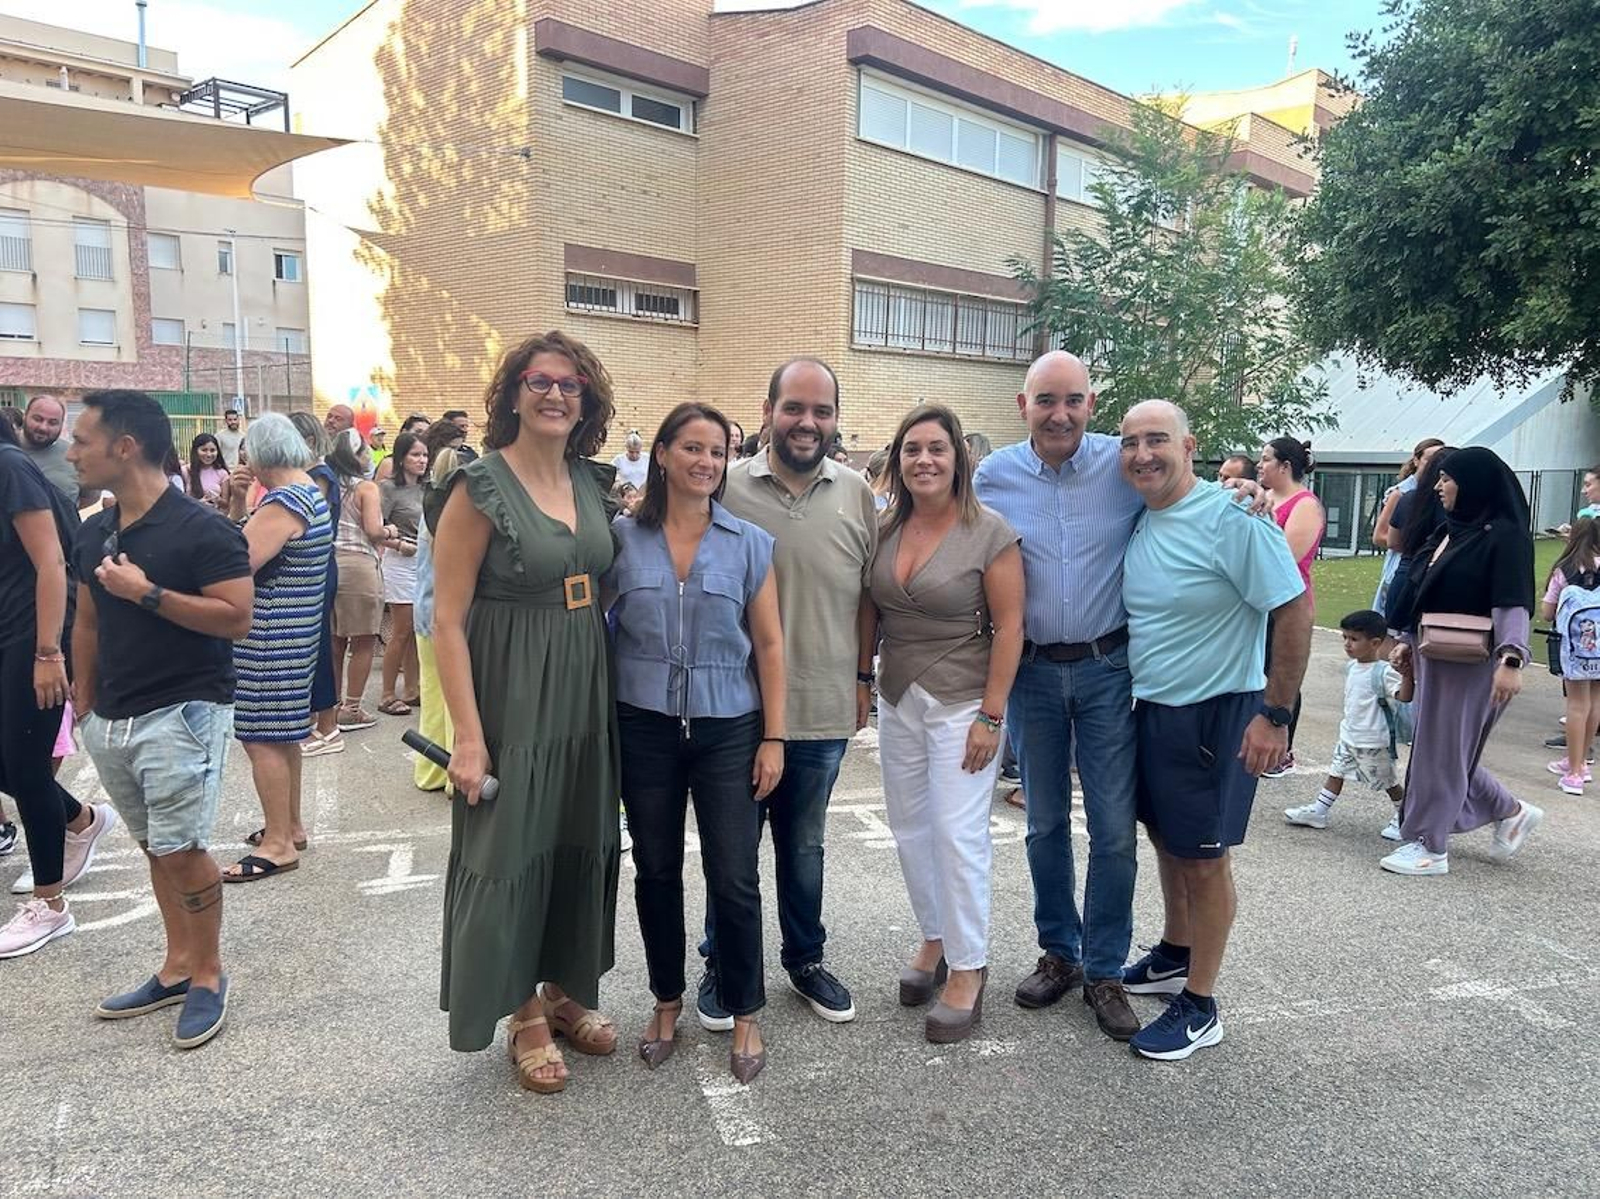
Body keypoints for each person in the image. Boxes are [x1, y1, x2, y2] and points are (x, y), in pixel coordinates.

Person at [431, 330, 622, 1092]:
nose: (554, 394)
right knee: (508, 850)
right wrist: (468, 738)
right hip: (510, 689)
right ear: (513, 393)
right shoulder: (478, 486)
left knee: (578, 836)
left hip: (582, 682)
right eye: (539, 381)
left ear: (587, 401)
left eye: (570, 384)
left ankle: (562, 987)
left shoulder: (590, 479)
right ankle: (520, 1010)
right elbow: (446, 619)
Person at [1116, 400, 1309, 1061]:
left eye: (1157, 440)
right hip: (1153, 709)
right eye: (1131, 442)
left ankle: (1200, 1004)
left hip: (1216, 710)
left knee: (1204, 858)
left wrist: (1275, 714)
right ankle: (1175, 950)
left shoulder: (1233, 514)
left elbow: (1293, 607)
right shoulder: (1143, 512)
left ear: (1189, 445)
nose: (1143, 453)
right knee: (1167, 839)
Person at [67, 390, 253, 1048]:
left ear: (126, 446)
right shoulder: (94, 528)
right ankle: (176, 966)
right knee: (154, 844)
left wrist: (146, 591)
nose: (71, 451)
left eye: (82, 440)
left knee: (181, 847)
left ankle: (207, 973)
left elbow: (236, 616)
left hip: (186, 708)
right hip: (113, 717)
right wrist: (83, 700)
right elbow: (86, 618)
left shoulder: (203, 528)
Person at [972, 350, 1147, 1042]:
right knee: (1044, 822)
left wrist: (1248, 497)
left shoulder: (1122, 466)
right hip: (1035, 673)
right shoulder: (995, 475)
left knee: (1111, 828)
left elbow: (1185, 495)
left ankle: (1106, 968)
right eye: (1046, 399)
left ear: (1091, 403)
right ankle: (1060, 953)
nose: (1060, 413)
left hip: (1109, 667)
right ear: (1024, 406)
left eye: (1072, 399)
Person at [609, 402, 785, 1083]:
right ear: (661, 454)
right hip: (644, 723)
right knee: (654, 869)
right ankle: (665, 999)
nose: (706, 461)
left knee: (734, 875)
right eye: (692, 447)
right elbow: (594, 623)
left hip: (729, 727)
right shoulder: (623, 537)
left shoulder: (748, 541)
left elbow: (769, 642)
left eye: (719, 450)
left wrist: (775, 735)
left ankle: (744, 1009)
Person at [704, 356, 877, 1029]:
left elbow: (869, 597)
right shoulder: (726, 485)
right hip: (735, 709)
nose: (808, 422)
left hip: (823, 706)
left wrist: (864, 676)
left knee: (803, 847)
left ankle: (804, 959)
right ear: (769, 408)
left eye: (821, 410)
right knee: (732, 847)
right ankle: (724, 961)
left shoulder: (857, 492)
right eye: (794, 408)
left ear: (836, 418)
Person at [859, 404, 1023, 1044]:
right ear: (898, 460)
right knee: (909, 827)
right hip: (900, 695)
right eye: (911, 450)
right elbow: (870, 610)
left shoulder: (989, 531)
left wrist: (992, 714)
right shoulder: (886, 525)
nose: (924, 460)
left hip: (964, 701)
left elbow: (1011, 627)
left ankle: (970, 966)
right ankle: (935, 935)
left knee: (958, 835)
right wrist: (863, 681)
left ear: (959, 459)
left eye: (937, 449)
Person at [1382, 446, 1543, 876]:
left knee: (1443, 751)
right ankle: (1508, 811)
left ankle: (1430, 846)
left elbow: (1513, 602)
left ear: (1472, 484)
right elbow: (1423, 588)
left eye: (1447, 479)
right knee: (1440, 749)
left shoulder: (1504, 536)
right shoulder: (1453, 531)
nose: (1438, 486)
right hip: (1435, 655)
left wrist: (1511, 660)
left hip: (1472, 662)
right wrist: (1405, 639)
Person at [0, 418, 117, 959]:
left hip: (34, 634)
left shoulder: (10, 466)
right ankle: (81, 819)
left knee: (26, 767)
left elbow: (51, 562)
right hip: (7, 632)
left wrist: (49, 652)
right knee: (12, 763)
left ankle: (49, 907)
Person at [219, 414, 334, 878]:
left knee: (261, 737)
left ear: (259, 455)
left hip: (267, 635)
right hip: (297, 631)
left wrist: (236, 506)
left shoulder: (282, 502)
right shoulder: (310, 489)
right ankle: (289, 825)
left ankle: (279, 843)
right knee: (284, 733)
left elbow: (233, 563)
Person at [1283, 609, 1411, 837]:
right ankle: (1319, 811)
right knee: (1336, 772)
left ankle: (1405, 817)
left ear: (1375, 643)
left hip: (1373, 740)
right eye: (1345, 637)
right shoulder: (1352, 667)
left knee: (1387, 782)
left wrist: (1407, 674)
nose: (1347, 644)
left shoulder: (1384, 672)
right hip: (1349, 735)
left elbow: (1404, 696)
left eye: (1354, 639)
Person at [1258, 438, 1326, 778]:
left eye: (1267, 459)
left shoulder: (1305, 504)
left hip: (1286, 605)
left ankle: (1282, 751)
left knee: (1282, 673)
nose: (1260, 465)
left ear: (1285, 466)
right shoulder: (1263, 497)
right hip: (1256, 602)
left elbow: (1286, 557)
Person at [327, 429, 396, 732]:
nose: (369, 456)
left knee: (335, 640)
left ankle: (330, 704)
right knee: (364, 639)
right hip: (358, 566)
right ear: (355, 456)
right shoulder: (366, 488)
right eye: (365, 451)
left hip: (330, 563)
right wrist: (390, 531)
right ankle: (352, 707)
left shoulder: (324, 485)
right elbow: (373, 530)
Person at [286, 413, 345, 758]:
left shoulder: (317, 477)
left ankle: (327, 725)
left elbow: (308, 520)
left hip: (319, 568)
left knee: (318, 644)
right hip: (316, 568)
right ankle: (318, 721)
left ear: (307, 441)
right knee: (313, 643)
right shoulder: (311, 476)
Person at [411, 444, 460, 793]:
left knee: (432, 696)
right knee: (458, 698)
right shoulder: (457, 515)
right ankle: (455, 780)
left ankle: (430, 772)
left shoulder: (426, 516)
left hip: (422, 614)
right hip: (449, 618)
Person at [1541, 518, 1600, 794]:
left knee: (1577, 704)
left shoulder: (1563, 570)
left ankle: (1575, 773)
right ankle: (1581, 762)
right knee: (1595, 702)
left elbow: (1547, 612)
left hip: (1575, 649)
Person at [378, 431, 426, 714]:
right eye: (415, 455)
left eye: (424, 455)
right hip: (399, 561)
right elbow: (374, 528)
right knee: (402, 629)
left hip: (423, 561)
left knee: (417, 630)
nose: (421, 460)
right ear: (401, 458)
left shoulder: (426, 488)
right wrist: (397, 544)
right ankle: (386, 693)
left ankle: (411, 688)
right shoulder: (387, 489)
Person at [1372, 438, 1445, 609]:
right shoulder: (1401, 494)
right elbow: (1380, 536)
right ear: (1416, 460)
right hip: (1401, 567)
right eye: (1429, 459)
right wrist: (1419, 546)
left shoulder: (1441, 493)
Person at [22, 396, 87, 505]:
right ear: (25, 416)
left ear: (62, 424)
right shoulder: (5, 450)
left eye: (52, 423)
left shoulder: (76, 455)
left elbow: (89, 498)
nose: (43, 427)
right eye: (37, 419)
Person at [184, 433, 231, 509]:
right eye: (204, 450)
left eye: (212, 450)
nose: (208, 454)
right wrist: (199, 503)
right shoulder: (186, 471)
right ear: (196, 451)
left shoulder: (222, 473)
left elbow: (226, 504)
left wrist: (217, 499)